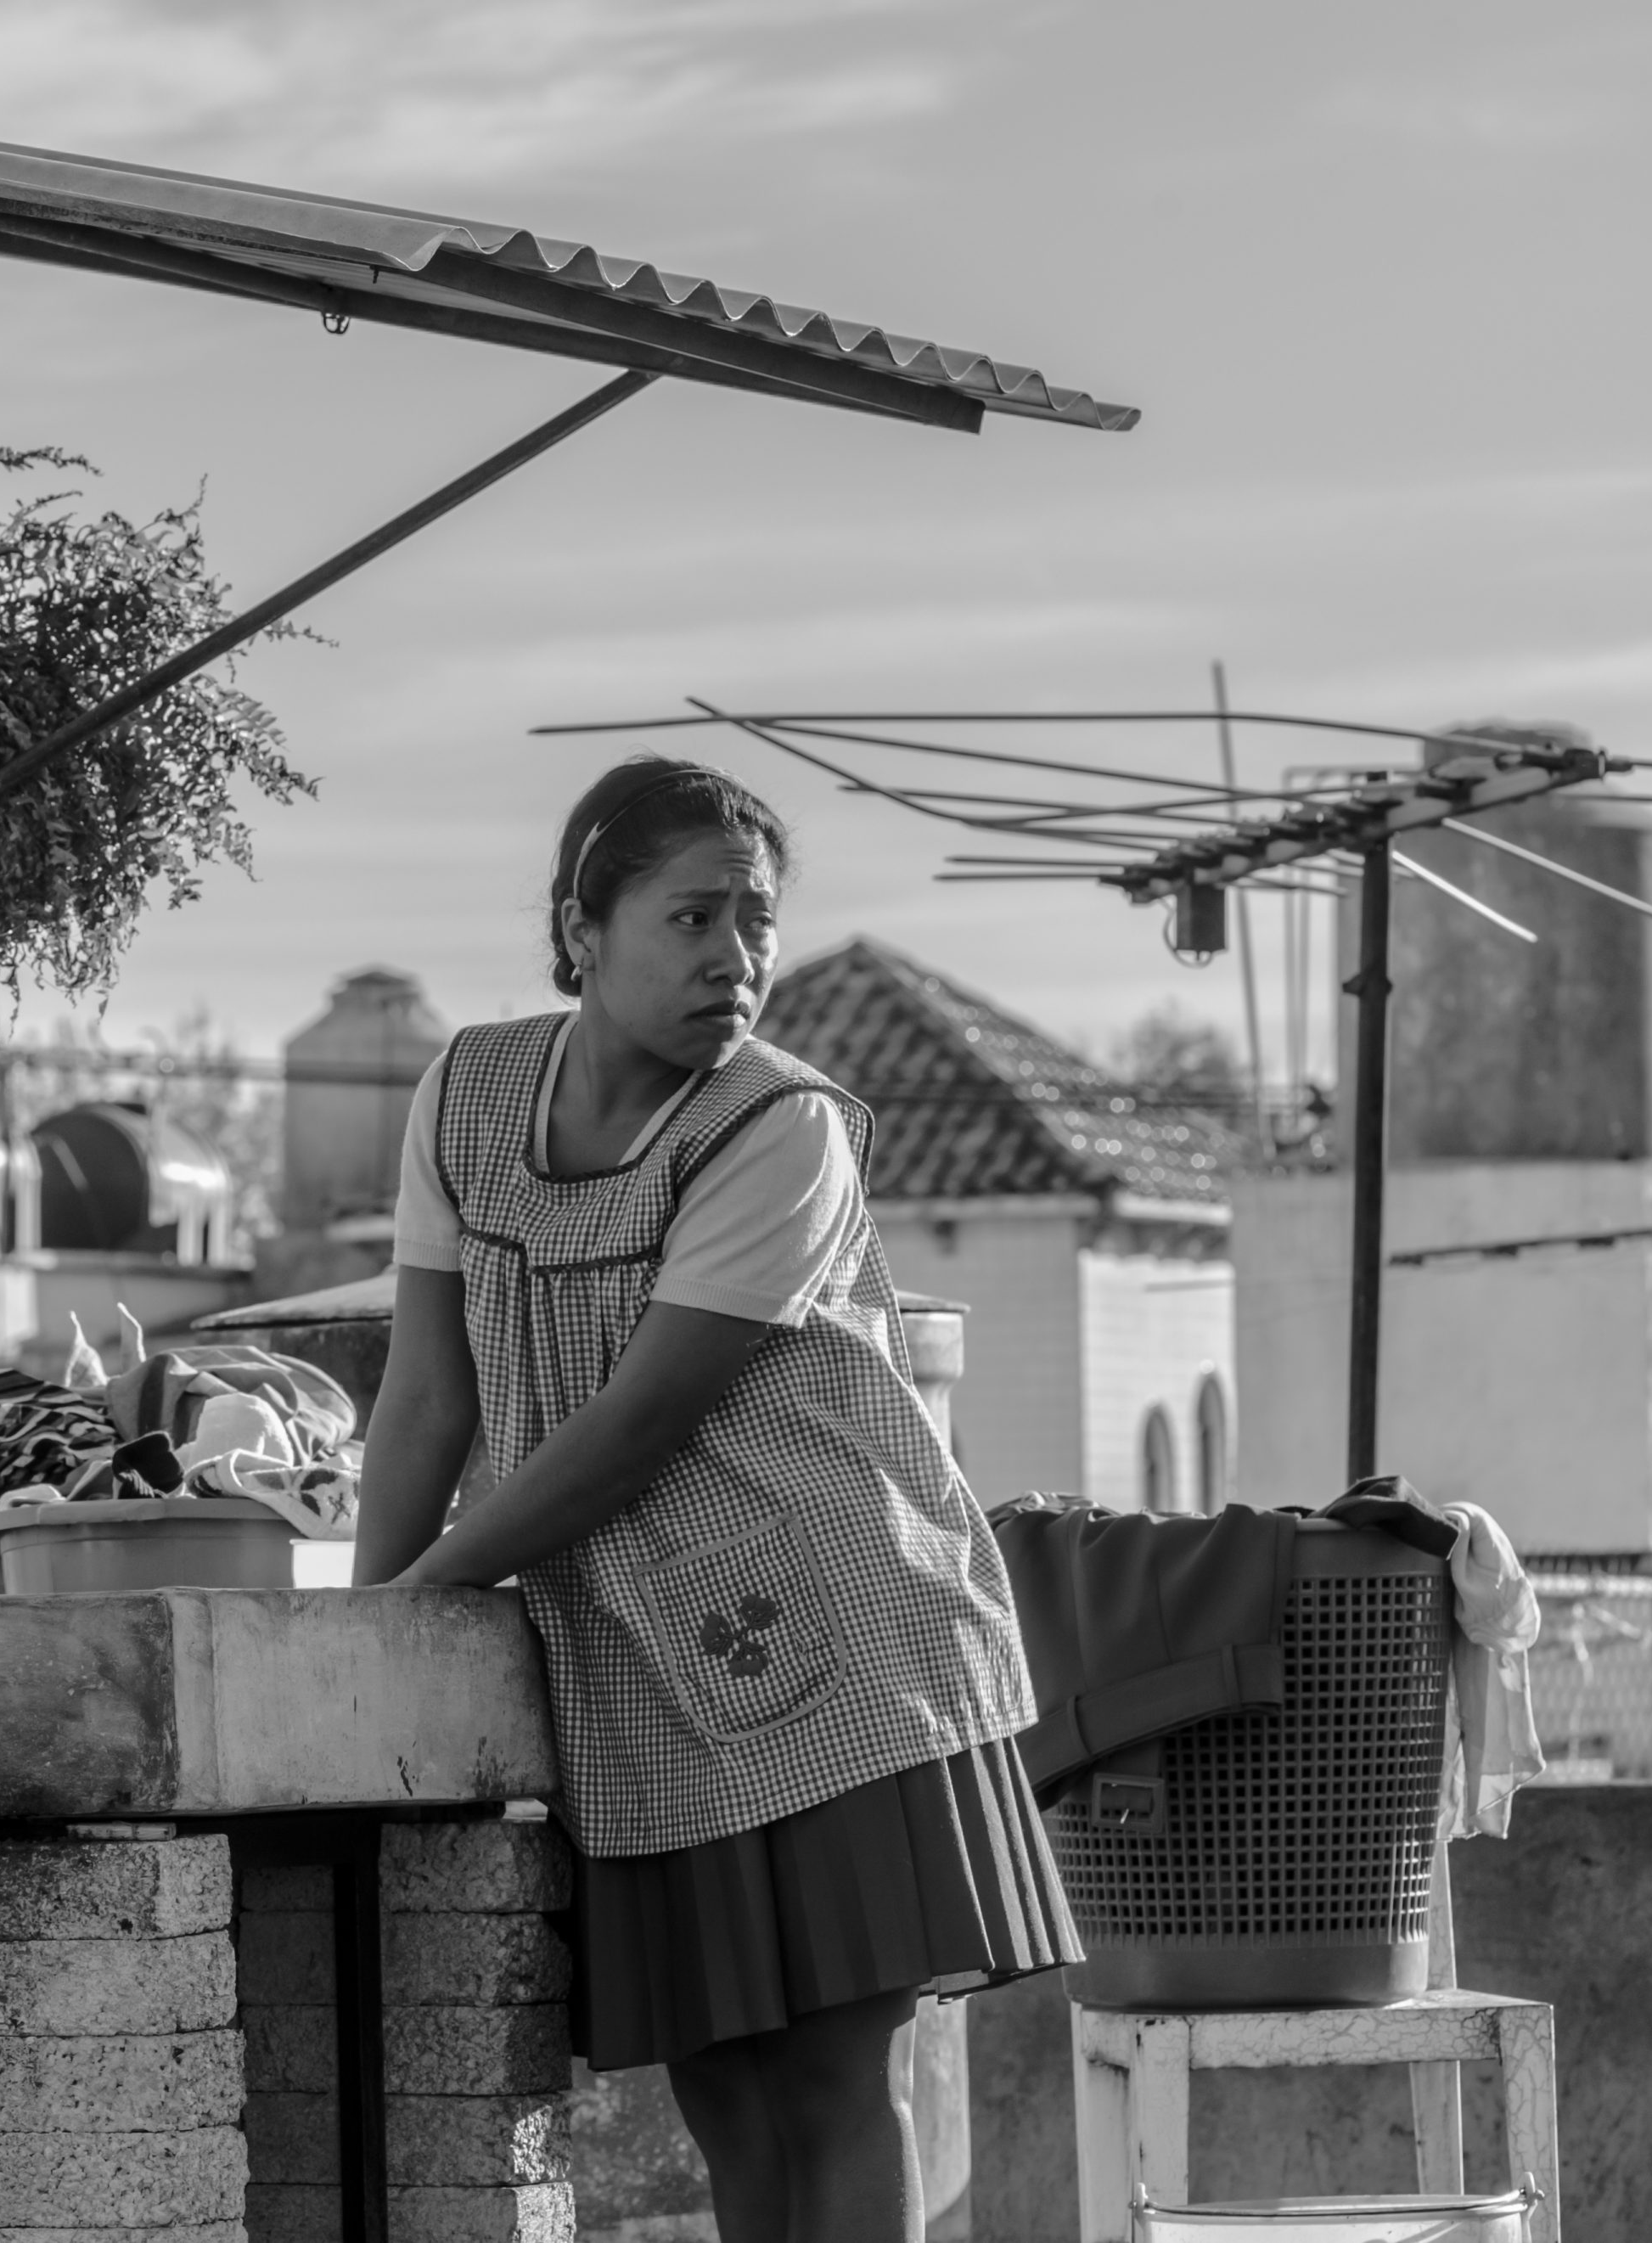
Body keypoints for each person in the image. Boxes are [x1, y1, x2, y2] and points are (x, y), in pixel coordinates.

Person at [354, 757, 1077, 2243]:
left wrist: (424, 1594)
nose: (733, 958)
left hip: (834, 1646)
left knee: (823, 2079)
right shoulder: (468, 1093)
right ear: (582, 925)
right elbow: (428, 1395)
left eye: (755, 921)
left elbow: (635, 1426)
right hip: (634, 1668)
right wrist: (367, 1635)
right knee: (724, 2098)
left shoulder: (780, 1127)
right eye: (691, 917)